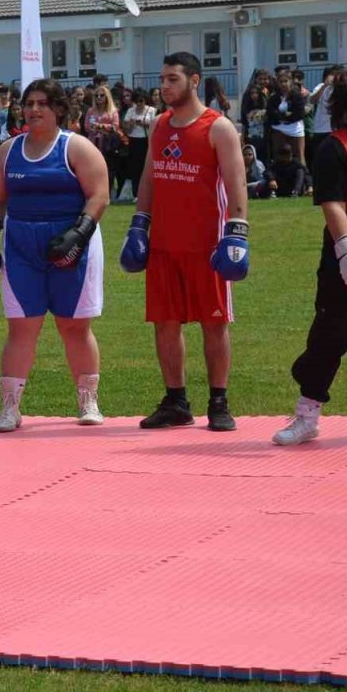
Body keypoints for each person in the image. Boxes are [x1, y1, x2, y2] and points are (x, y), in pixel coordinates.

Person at [0, 78, 110, 432]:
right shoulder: (8, 151)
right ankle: (10, 407)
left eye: (41, 104)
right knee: (21, 327)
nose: (32, 110)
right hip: (22, 246)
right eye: (28, 103)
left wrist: (78, 233)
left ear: (58, 109)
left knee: (74, 326)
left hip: (71, 243)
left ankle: (88, 400)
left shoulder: (76, 148)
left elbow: (99, 195)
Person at [120, 52, 249, 432]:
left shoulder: (218, 127)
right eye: (162, 79)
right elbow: (149, 178)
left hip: (207, 245)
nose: (164, 86)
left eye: (172, 79)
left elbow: (235, 181)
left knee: (215, 323)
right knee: (164, 322)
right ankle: (176, 401)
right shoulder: (159, 125)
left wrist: (237, 231)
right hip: (163, 243)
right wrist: (139, 225)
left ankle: (219, 401)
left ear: (194, 81)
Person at [274, 70, 347, 445]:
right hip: (346, 254)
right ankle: (307, 416)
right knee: (330, 337)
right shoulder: (335, 147)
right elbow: (332, 204)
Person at [122, 87, 156, 202]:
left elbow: (155, 126)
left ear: (145, 100)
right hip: (134, 140)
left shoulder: (151, 110)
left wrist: (143, 123)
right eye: (136, 101)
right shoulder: (131, 111)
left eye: (141, 101)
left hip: (146, 140)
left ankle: (150, 193)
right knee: (135, 168)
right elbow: (126, 129)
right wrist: (131, 124)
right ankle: (136, 194)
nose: (139, 104)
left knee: (146, 167)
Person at [266, 71, 307, 164]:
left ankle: (304, 177)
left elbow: (299, 114)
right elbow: (271, 113)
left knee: (300, 157)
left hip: (295, 130)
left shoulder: (297, 96)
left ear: (290, 82)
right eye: (281, 81)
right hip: (278, 129)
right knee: (278, 157)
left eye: (285, 81)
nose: (283, 84)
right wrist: (285, 115)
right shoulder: (274, 97)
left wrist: (283, 116)